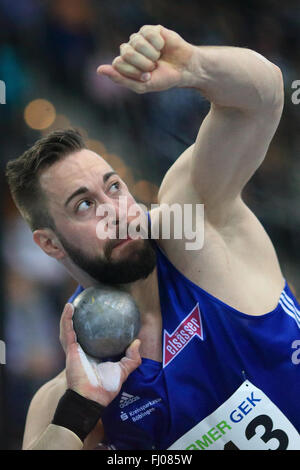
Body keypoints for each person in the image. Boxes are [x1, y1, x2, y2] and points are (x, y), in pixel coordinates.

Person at [6, 25, 300, 450]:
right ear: (50, 244)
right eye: (84, 205)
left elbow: (266, 94)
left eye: (113, 187)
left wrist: (195, 66)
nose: (115, 213)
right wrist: (80, 414)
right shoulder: (70, 395)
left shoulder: (197, 222)